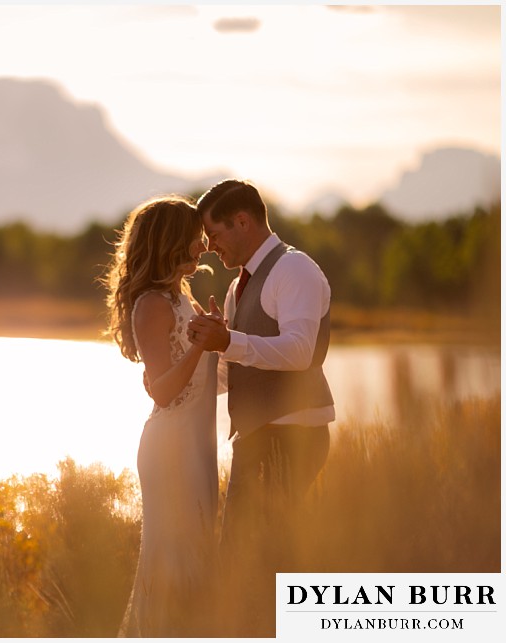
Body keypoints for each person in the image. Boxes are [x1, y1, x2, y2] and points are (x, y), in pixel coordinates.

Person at [186, 178, 335, 561]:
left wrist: (228, 342)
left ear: (242, 221)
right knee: (241, 551)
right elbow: (236, 368)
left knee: (263, 554)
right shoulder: (239, 286)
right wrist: (182, 382)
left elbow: (301, 351)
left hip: (293, 434)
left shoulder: (294, 269)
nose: (209, 246)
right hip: (257, 435)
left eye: (214, 234)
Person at [104, 195, 221, 637]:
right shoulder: (152, 304)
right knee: (174, 563)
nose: (203, 245)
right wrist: (200, 344)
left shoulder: (178, 294)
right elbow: (166, 390)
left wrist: (220, 339)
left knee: (197, 559)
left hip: (196, 443)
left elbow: (197, 376)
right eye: (195, 237)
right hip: (171, 448)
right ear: (173, 241)